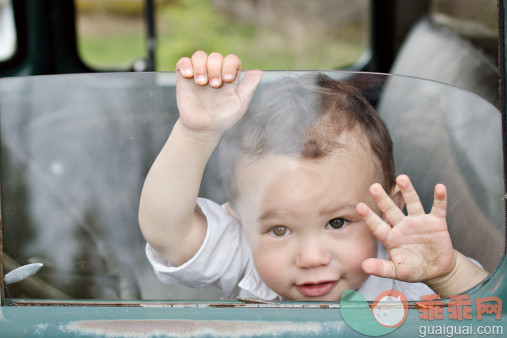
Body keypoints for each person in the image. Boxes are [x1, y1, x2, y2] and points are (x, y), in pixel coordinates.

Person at [138, 51, 489, 301]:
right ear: (241, 222)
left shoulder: (414, 266)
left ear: (388, 210)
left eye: (337, 223)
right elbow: (167, 233)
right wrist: (196, 133)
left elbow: (491, 311)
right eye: (279, 229)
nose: (311, 258)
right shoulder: (245, 258)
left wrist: (448, 274)